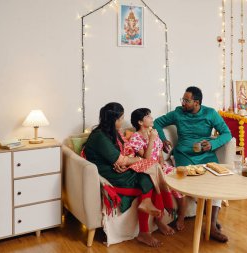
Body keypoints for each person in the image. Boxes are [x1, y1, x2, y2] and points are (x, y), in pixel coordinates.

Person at [83, 102, 174, 247]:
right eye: (121, 119)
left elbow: (127, 151)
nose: (122, 121)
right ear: (114, 120)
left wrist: (127, 161)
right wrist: (133, 160)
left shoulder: (114, 132)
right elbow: (121, 159)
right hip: (111, 175)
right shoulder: (100, 136)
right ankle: (145, 231)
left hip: (119, 168)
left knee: (151, 170)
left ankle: (154, 217)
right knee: (150, 176)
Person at [153, 86, 232, 243]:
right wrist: (163, 139)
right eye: (183, 99)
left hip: (206, 154)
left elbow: (227, 133)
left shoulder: (210, 113)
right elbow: (157, 122)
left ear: (197, 103)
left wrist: (213, 144)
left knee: (217, 181)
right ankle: (211, 224)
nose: (183, 103)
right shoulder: (178, 113)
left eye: (186, 100)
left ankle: (211, 225)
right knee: (196, 182)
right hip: (184, 155)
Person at [129, 108, 187, 231]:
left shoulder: (154, 133)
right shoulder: (135, 138)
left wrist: (161, 165)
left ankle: (181, 217)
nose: (152, 118)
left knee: (180, 184)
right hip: (149, 169)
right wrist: (151, 139)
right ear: (140, 122)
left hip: (160, 167)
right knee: (161, 185)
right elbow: (146, 158)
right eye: (148, 116)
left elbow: (160, 154)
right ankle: (159, 221)